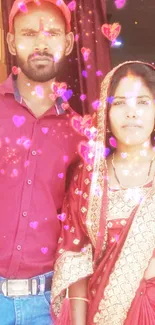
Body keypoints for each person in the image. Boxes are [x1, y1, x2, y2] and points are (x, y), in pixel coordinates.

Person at [51, 61, 155, 325]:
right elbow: (76, 258)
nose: (132, 113)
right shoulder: (88, 179)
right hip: (99, 315)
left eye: (142, 102)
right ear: (105, 113)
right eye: (120, 103)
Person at [0, 0, 83, 324]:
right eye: (30, 33)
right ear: (11, 42)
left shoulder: (80, 135)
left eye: (52, 33)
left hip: (48, 308)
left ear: (68, 42)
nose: (41, 43)